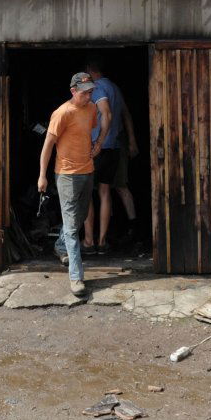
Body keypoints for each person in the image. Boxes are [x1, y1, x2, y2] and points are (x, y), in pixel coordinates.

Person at [37, 72, 99, 298]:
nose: (89, 95)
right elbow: (48, 145)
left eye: (91, 91)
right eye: (85, 92)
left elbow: (87, 133)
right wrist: (42, 175)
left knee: (78, 218)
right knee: (73, 228)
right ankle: (76, 277)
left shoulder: (92, 109)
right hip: (66, 176)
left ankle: (61, 246)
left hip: (87, 172)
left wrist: (98, 144)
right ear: (73, 91)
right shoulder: (62, 113)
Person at [82, 59, 139, 254]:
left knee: (88, 193)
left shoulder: (96, 88)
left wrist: (98, 141)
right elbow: (126, 114)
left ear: (90, 70)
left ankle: (89, 242)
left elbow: (106, 113)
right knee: (105, 193)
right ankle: (102, 241)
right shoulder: (115, 87)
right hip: (114, 147)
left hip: (97, 148)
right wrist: (130, 141)